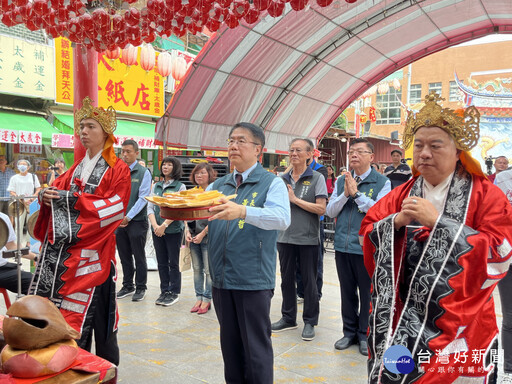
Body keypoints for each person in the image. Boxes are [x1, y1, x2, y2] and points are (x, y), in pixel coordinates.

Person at [361, 93, 512, 382]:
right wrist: (396, 222)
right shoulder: (402, 194)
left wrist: (439, 224)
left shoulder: (485, 195)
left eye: (435, 145)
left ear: (458, 151)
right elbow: (366, 233)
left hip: (466, 322)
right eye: (418, 146)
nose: (424, 153)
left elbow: (501, 253)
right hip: (403, 319)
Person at [30, 97, 131, 365]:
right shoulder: (76, 166)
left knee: (100, 321)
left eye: (90, 127)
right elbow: (56, 192)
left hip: (95, 256)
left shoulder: (117, 169)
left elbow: (115, 209)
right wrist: (47, 195)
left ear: (106, 133)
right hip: (67, 257)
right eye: (81, 127)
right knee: (67, 320)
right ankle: (71, 367)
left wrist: (68, 201)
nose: (83, 131)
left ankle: (102, 369)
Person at [207, 122, 290, 384]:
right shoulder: (218, 185)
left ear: (258, 150)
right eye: (231, 140)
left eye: (241, 141)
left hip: (252, 280)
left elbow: (281, 218)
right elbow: (200, 213)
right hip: (221, 278)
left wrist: (243, 211)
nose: (233, 145)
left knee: (255, 349)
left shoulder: (271, 183)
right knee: (230, 349)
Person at [326, 137, 391, 356]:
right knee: (346, 292)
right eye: (351, 151)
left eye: (359, 152)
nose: (354, 155)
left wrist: (356, 194)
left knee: (366, 292)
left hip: (366, 247)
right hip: (342, 245)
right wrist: (345, 193)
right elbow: (330, 211)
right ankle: (349, 332)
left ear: (371, 157)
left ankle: (365, 334)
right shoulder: (340, 181)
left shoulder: (382, 182)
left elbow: (379, 212)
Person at [271, 138, 327, 341]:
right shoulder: (281, 179)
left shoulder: (317, 177)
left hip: (307, 238)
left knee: (310, 282)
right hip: (284, 236)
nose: (293, 154)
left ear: (309, 154)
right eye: (291, 150)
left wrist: (295, 200)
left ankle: (310, 321)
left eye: (298, 150)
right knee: (286, 280)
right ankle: (288, 318)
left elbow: (322, 209)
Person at [116, 140, 152, 302]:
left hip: (136, 221)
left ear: (137, 153)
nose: (125, 154)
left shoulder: (143, 172)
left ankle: (141, 287)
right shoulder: (117, 171)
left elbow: (143, 198)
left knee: (139, 255)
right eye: (123, 151)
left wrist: (128, 216)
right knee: (123, 255)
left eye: (129, 151)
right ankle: (127, 285)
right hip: (119, 221)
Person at [147, 157, 186, 306]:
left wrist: (164, 225)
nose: (165, 167)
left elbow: (178, 209)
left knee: (173, 262)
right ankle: (164, 290)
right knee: (161, 262)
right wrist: (155, 225)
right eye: (164, 164)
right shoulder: (156, 185)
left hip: (173, 230)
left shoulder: (180, 187)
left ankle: (174, 292)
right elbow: (150, 207)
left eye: (169, 165)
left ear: (175, 168)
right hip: (156, 229)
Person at [185, 163, 216, 314]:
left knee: (209, 271)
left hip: (208, 236)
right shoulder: (191, 192)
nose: (199, 176)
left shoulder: (214, 193)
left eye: (202, 173)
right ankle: (198, 297)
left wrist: (203, 233)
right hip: (193, 236)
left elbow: (216, 216)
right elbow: (185, 213)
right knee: (197, 269)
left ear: (209, 174)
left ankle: (207, 299)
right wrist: (186, 231)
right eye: (197, 173)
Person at [493, 169, 512, 383]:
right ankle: (509, 369)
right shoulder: (503, 179)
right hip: (509, 256)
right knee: (510, 316)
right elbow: (496, 218)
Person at [7, 159, 41, 247]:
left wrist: (33, 197)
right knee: (18, 223)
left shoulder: (33, 176)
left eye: (24, 164)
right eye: (20, 164)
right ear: (17, 167)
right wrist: (18, 198)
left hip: (31, 203)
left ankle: (29, 242)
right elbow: (11, 191)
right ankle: (18, 243)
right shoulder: (14, 178)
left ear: (28, 167)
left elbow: (38, 189)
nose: (22, 166)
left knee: (31, 222)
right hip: (19, 203)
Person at [0, 211, 34, 294]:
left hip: (3, 268)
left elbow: (11, 246)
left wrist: (36, 257)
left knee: (35, 282)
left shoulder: (3, 218)